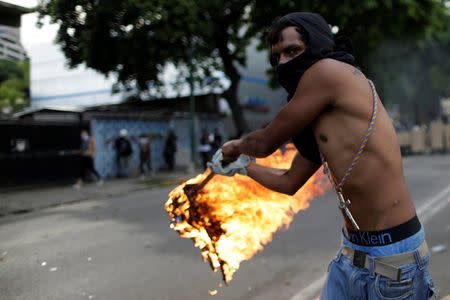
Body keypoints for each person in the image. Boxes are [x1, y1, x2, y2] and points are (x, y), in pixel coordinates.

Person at [208, 12, 437, 299]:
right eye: (277, 57)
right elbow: (289, 181)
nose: (284, 63)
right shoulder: (317, 114)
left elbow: (265, 142)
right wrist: (242, 167)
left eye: (292, 51)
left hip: (393, 259)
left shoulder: (327, 71)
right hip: (352, 255)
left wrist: (233, 148)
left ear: (316, 45)